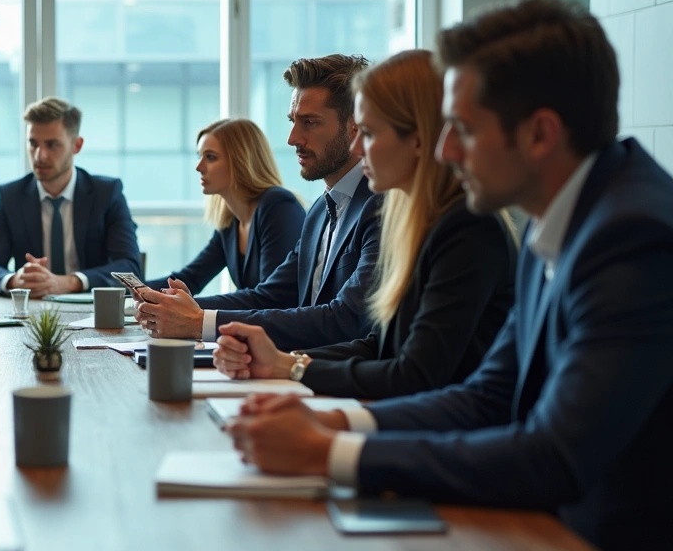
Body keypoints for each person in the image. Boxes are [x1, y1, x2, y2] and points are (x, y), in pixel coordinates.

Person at [224, 0, 673, 551]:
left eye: (462, 129)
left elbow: (553, 456)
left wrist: (331, 452)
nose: (444, 151)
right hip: (536, 533)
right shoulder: (559, 214)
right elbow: (488, 395)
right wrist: (332, 425)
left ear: (540, 134)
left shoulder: (631, 237)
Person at [213, 50, 516, 399]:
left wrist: (294, 372)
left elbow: (415, 375)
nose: (357, 145)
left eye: (368, 132)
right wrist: (280, 363)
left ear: (418, 138)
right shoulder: (414, 219)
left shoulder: (466, 228)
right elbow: (380, 345)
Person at [136, 55, 382, 352]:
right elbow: (271, 296)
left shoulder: (381, 206)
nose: (292, 138)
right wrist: (179, 310)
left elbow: (345, 320)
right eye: (293, 122)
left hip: (333, 380)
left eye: (310, 123)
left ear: (354, 125)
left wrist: (198, 321)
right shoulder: (319, 211)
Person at [0, 96, 141, 297]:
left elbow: (130, 268)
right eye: (33, 143)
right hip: (32, 313)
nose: (39, 156)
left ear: (76, 145)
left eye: (52, 145)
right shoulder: (10, 196)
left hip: (94, 314)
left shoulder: (106, 193)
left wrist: (69, 282)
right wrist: (15, 280)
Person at [143, 118, 304, 295]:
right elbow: (191, 278)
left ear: (241, 161)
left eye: (210, 157)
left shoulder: (278, 206)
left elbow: (271, 298)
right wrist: (129, 289)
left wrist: (190, 308)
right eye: (200, 156)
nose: (199, 167)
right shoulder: (231, 223)